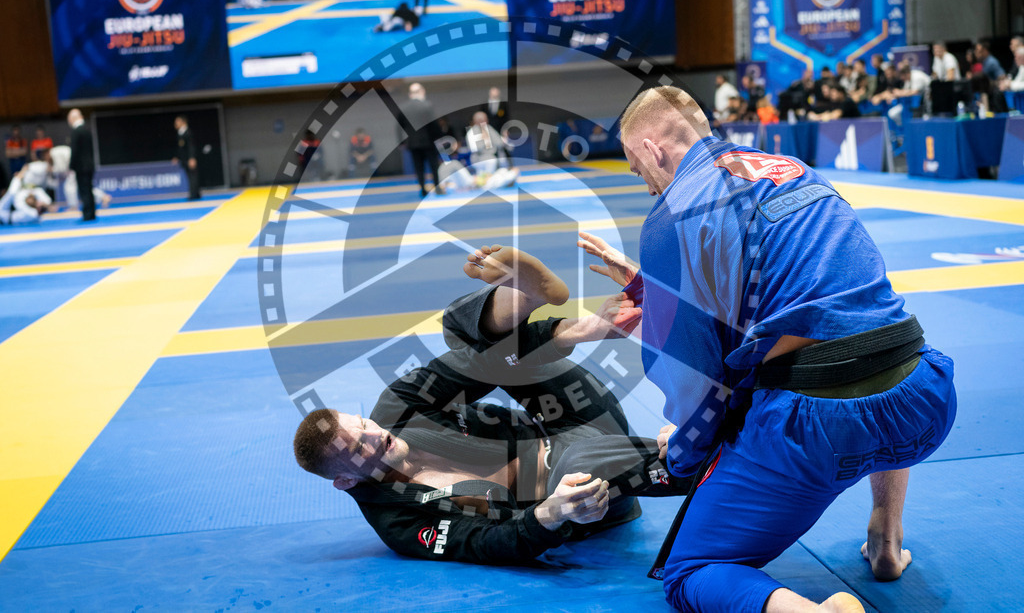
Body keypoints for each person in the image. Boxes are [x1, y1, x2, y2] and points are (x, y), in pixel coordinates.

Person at [578, 85, 956, 613]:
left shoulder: (670, 218)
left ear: (650, 150)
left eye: (637, 171)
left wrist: (687, 451)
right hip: (923, 395)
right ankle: (887, 540)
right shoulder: (792, 167)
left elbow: (695, 375)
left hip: (819, 427)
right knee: (863, 340)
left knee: (692, 571)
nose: (645, 186)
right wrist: (654, 287)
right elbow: (818, 294)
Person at [293, 245, 689, 564]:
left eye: (363, 424)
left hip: (570, 417)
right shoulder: (399, 521)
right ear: (345, 480)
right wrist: (550, 514)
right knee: (579, 461)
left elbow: (479, 364)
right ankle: (691, 452)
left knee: (463, 333)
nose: (376, 435)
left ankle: (526, 296)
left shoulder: (398, 409)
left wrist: (578, 332)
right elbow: (485, 542)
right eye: (359, 448)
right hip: (580, 494)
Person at [399, 82, 444, 197]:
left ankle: (423, 189)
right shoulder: (426, 105)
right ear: (421, 91)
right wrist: (439, 136)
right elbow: (434, 124)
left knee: (418, 167)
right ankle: (437, 187)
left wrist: (403, 142)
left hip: (413, 143)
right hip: (428, 141)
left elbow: (400, 126)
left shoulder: (404, 108)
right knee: (434, 165)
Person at [67, 108, 96, 222]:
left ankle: (87, 214)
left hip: (81, 167)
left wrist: (71, 166)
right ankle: (91, 213)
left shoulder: (76, 131)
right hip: (89, 165)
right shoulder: (87, 129)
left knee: (84, 190)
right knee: (89, 189)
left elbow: (75, 151)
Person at [172, 116, 200, 200]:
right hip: (184, 159)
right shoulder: (180, 133)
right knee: (189, 176)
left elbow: (191, 146)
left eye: (178, 121)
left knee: (193, 176)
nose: (176, 124)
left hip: (190, 159)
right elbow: (181, 148)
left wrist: (192, 158)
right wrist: (178, 157)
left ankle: (194, 194)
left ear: (183, 122)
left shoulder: (188, 132)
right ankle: (196, 193)